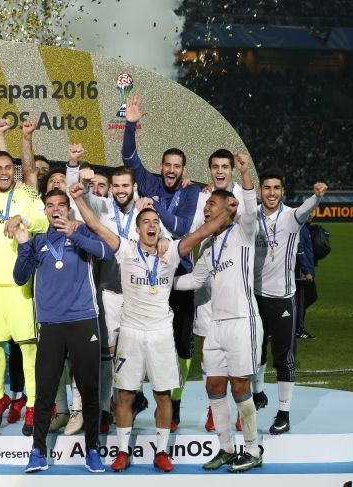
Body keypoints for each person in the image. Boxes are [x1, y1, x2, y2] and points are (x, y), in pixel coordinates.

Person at [71, 181, 233, 472]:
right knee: (125, 395)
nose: (151, 226)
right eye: (145, 222)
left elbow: (202, 232)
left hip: (160, 335)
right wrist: (79, 199)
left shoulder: (171, 252)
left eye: (155, 222)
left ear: (160, 228)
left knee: (162, 395)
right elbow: (95, 225)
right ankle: (123, 452)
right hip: (131, 333)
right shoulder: (125, 250)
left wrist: (228, 212)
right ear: (137, 229)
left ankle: (161, 452)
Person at [174, 153, 264, 473]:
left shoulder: (243, 232)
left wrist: (245, 173)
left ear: (229, 208)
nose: (207, 208)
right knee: (213, 386)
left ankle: (252, 448)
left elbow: (250, 208)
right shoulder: (208, 245)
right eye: (207, 204)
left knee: (239, 387)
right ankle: (226, 448)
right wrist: (159, 280)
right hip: (215, 326)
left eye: (212, 204)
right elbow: (193, 280)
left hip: (242, 321)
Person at [15, 188, 114, 474]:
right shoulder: (38, 241)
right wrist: (23, 245)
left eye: (61, 205)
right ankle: (38, 451)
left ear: (68, 209)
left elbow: (106, 253)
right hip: (51, 324)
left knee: (89, 390)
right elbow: (20, 277)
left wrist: (75, 234)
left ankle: (92, 450)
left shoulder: (82, 232)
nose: (56, 209)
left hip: (84, 320)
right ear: (45, 210)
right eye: (50, 205)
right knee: (45, 391)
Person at [121, 92, 200, 430]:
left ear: (183, 170)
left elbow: (180, 227)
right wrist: (130, 125)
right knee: (140, 338)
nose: (170, 170)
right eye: (167, 165)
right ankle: (137, 395)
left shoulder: (191, 191)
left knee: (181, 345)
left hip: (178, 277)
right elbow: (129, 157)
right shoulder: (150, 180)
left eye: (176, 166)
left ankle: (175, 401)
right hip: (147, 278)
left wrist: (154, 205)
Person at [67, 157, 159, 434]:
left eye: (124, 186)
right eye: (116, 185)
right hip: (109, 291)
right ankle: (106, 409)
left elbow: (161, 236)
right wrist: (78, 174)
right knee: (107, 353)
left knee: (134, 351)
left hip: (138, 293)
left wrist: (164, 239)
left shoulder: (146, 209)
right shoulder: (103, 206)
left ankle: (129, 402)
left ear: (134, 187)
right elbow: (77, 198)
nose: (120, 190)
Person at [0, 119, 48, 435]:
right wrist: (0, 136)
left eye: (9, 167)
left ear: (15, 170)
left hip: (21, 288)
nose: (4, 172)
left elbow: (44, 222)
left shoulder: (26, 195)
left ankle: (33, 405)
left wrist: (22, 217)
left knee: (28, 349)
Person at [253, 169, 327, 435]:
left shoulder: (291, 217)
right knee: (255, 353)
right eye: (267, 188)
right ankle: (258, 393)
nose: (271, 193)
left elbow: (306, 209)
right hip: (254, 297)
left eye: (276, 188)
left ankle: (283, 413)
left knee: (283, 357)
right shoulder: (252, 216)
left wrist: (317, 197)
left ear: (283, 192)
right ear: (260, 191)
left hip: (282, 299)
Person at [189, 149, 250, 433]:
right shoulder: (202, 197)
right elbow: (193, 229)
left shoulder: (242, 197)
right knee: (208, 348)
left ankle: (243, 407)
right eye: (215, 167)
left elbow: (250, 226)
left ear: (232, 170)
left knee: (242, 356)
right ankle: (213, 409)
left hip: (236, 285)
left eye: (225, 166)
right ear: (209, 170)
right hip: (208, 282)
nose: (220, 171)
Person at [295, 220, 318, 339]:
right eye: (309, 212)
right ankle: (298, 330)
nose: (311, 215)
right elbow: (300, 251)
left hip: (304, 270)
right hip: (301, 273)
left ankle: (294, 325)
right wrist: (307, 271)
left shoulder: (305, 228)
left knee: (304, 299)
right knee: (303, 300)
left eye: (312, 212)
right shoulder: (301, 229)